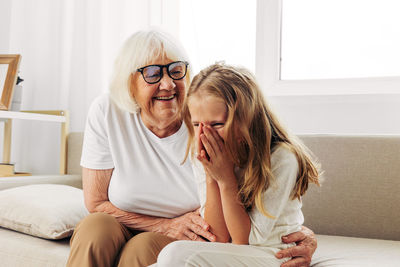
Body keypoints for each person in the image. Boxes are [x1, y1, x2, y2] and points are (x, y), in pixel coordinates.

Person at [67, 30, 318, 267]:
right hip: (131, 222)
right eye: (153, 74)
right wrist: (164, 225)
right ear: (129, 81)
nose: (168, 84)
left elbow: (258, 222)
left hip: (192, 233)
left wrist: (301, 233)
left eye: (176, 71)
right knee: (95, 228)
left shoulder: (207, 114)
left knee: (142, 249)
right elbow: (96, 202)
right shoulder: (107, 112)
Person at [153, 63, 320, 266]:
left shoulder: (281, 157)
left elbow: (245, 241)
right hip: (228, 251)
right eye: (197, 124)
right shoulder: (202, 155)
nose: (205, 135)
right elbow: (217, 237)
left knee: (174, 255)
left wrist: (225, 179)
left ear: (247, 119)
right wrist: (210, 175)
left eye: (217, 124)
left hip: (272, 253)